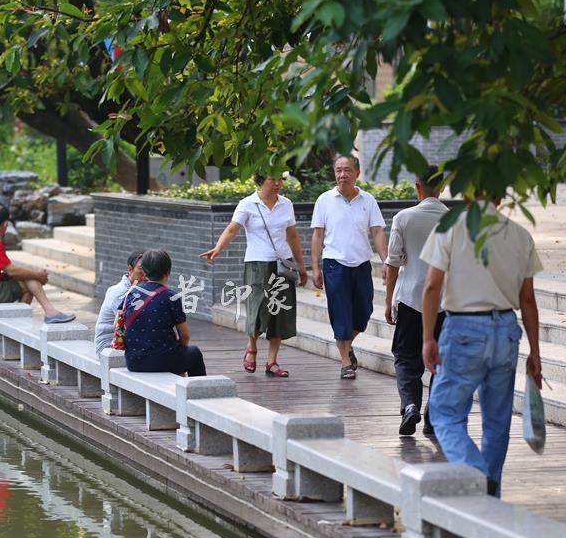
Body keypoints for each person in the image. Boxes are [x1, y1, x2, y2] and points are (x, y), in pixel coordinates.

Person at [421, 194, 543, 498]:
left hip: (463, 328)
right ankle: (490, 492)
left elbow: (432, 286)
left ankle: (476, 474)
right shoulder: (519, 234)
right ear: (501, 195)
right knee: (497, 421)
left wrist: (427, 338)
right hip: (506, 329)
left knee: (444, 411)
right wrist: (536, 352)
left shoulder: (450, 228)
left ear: (465, 194)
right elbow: (527, 299)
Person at [201, 173, 307, 377]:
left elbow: (292, 235)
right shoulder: (248, 204)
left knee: (280, 312)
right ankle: (251, 346)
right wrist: (218, 248)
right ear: (260, 181)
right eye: (272, 179)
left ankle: (272, 362)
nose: (278, 183)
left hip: (282, 265)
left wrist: (301, 266)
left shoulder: (286, 204)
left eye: (280, 179)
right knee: (257, 308)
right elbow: (232, 229)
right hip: (257, 263)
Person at [311, 154, 388, 379]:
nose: (342, 175)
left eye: (347, 170)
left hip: (362, 263)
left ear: (357, 173)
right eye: (338, 170)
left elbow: (377, 232)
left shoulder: (368, 200)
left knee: (364, 311)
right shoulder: (324, 200)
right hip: (334, 263)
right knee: (341, 313)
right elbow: (317, 235)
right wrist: (315, 267)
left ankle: (347, 346)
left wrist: (386, 261)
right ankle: (345, 361)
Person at [384, 166, 448, 436]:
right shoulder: (454, 220)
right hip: (445, 302)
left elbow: (393, 264)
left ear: (417, 187)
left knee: (405, 357)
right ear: (442, 188)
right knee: (440, 361)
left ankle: (410, 404)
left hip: (410, 299)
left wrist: (388, 302)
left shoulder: (404, 218)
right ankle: (433, 413)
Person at [0, 205, 75, 324]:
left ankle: (49, 312)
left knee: (26, 276)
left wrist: (33, 274)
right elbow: (12, 271)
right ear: (5, 225)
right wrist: (38, 276)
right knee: (29, 285)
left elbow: (9, 269)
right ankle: (22, 321)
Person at [123, 249, 206, 377]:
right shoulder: (171, 297)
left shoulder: (131, 293)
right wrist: (179, 349)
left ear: (144, 272)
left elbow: (118, 323)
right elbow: (185, 336)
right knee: (194, 353)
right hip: (163, 360)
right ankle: (198, 395)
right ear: (168, 272)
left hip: (134, 362)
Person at [94, 251, 145, 355]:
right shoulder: (120, 292)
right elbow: (129, 326)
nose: (145, 273)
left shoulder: (139, 290)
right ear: (130, 269)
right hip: (107, 347)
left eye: (148, 269)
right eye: (141, 269)